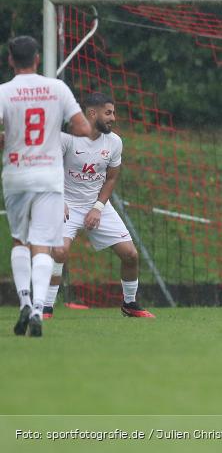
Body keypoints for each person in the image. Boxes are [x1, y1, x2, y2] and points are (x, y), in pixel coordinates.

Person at [0, 35, 91, 336]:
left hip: (16, 174)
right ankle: (39, 308)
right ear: (38, 58)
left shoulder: (4, 91)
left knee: (19, 240)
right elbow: (81, 127)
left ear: (11, 60)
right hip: (49, 176)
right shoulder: (57, 88)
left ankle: (24, 302)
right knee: (43, 244)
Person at [44, 92, 154, 319]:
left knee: (131, 254)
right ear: (92, 113)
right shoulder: (67, 138)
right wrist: (59, 201)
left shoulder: (114, 142)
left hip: (96, 205)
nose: (113, 118)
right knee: (60, 251)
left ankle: (130, 304)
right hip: (66, 204)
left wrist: (98, 208)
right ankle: (46, 307)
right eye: (108, 113)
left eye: (113, 113)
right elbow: (50, 170)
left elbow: (111, 178)